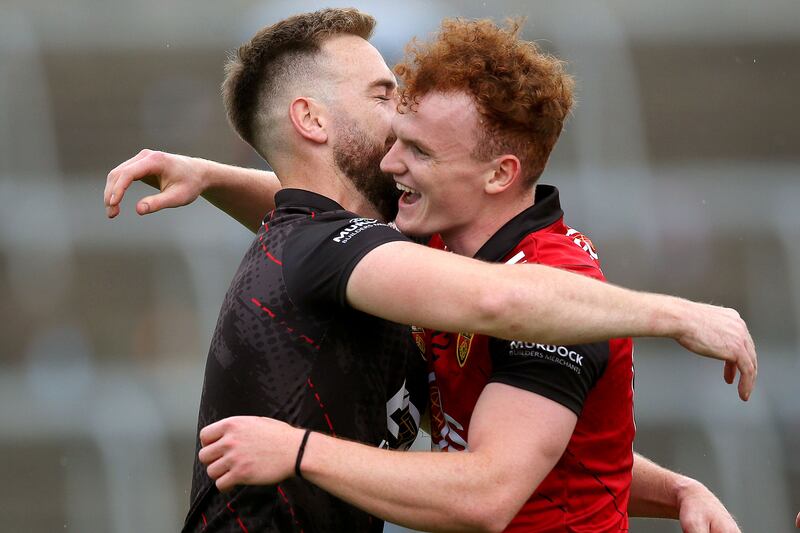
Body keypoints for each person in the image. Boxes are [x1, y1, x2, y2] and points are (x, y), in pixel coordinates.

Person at [105, 8, 752, 533]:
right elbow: (324, 233)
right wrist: (211, 176)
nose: (394, 156)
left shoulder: (552, 293)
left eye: (418, 148)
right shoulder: (414, 254)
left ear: (496, 174)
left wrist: (679, 317)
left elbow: (499, 480)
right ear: (311, 118)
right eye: (383, 99)